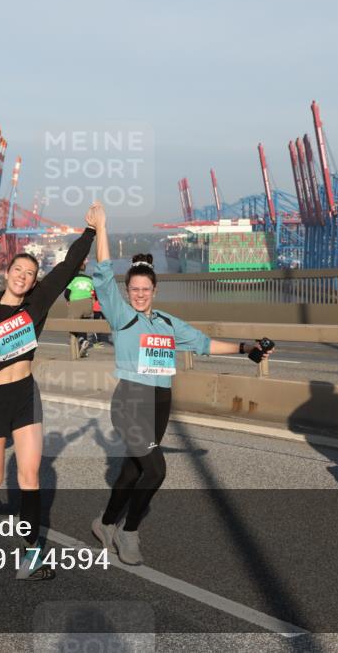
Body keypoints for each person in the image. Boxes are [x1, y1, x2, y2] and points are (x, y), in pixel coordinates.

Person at [89, 213, 271, 565]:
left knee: (133, 469)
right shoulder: (120, 314)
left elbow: (204, 344)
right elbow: (103, 269)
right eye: (134, 290)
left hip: (160, 400)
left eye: (146, 290)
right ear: (127, 291)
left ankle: (105, 521)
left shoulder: (168, 323)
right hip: (131, 400)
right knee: (155, 470)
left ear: (155, 291)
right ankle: (129, 533)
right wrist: (103, 228)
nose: (140, 295)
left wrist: (246, 348)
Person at [0, 203, 100, 581]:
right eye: (17, 270)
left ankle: (32, 552)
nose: (22, 276)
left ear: (35, 281)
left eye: (30, 273)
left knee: (30, 477)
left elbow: (68, 268)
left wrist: (91, 230)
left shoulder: (37, 303)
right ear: (7, 273)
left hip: (24, 396)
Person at [64, 262, 96, 358]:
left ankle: (80, 343)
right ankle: (84, 347)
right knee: (83, 326)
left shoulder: (72, 279)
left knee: (72, 326)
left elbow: (67, 293)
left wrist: (68, 300)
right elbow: (94, 292)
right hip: (88, 303)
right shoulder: (90, 279)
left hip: (76, 304)